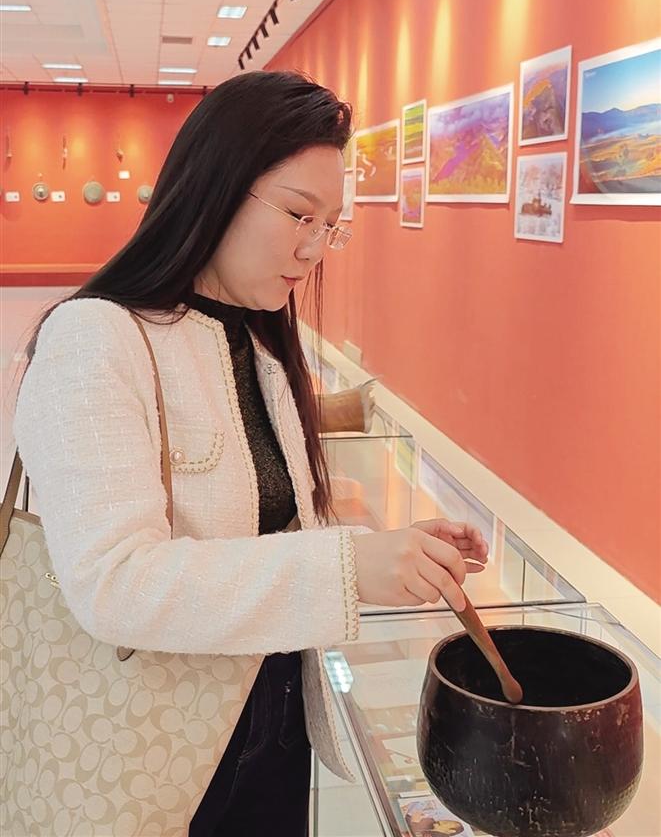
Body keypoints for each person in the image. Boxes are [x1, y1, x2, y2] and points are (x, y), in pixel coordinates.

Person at [13, 70, 488, 835]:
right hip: (150, 749)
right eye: (299, 214)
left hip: (270, 725)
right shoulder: (96, 339)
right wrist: (347, 567)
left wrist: (387, 552)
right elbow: (113, 583)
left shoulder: (260, 346)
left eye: (330, 226)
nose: (314, 248)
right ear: (216, 186)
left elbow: (270, 536)